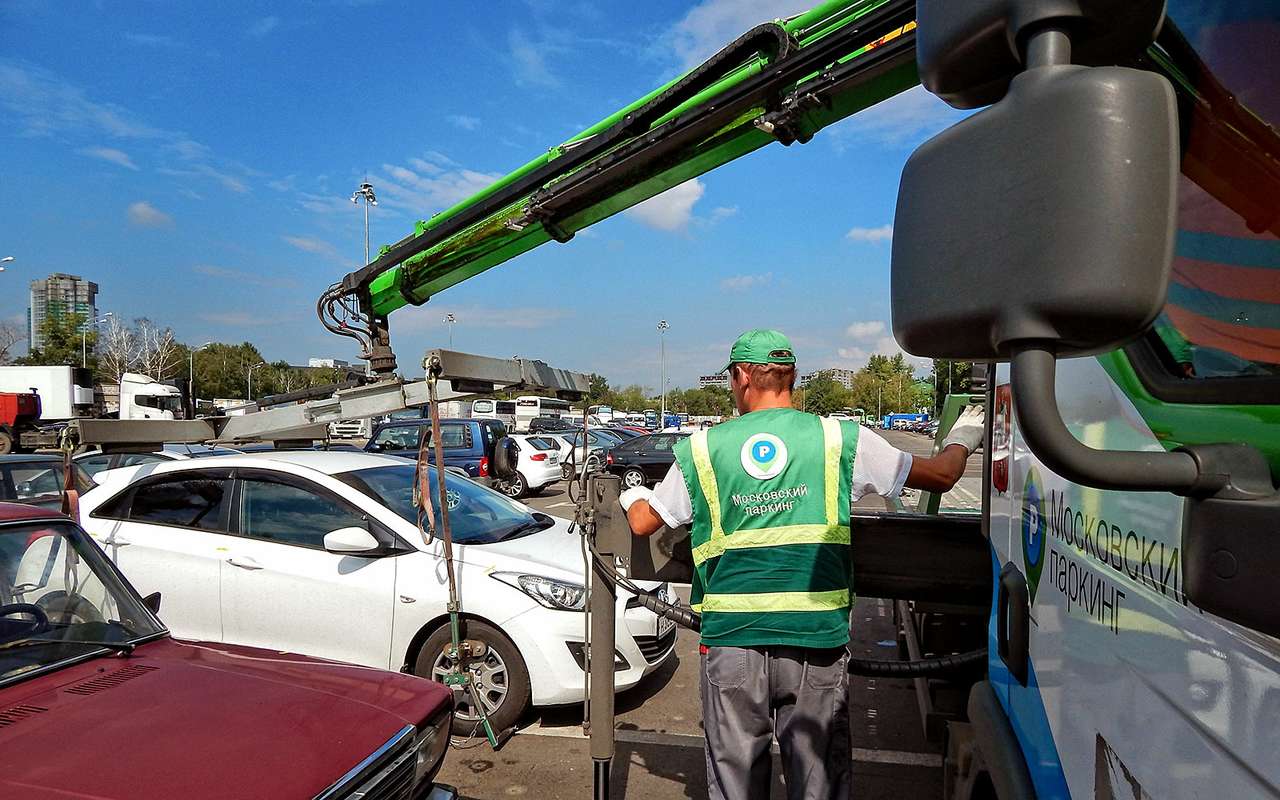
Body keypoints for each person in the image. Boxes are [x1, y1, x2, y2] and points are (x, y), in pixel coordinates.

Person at [620, 329, 984, 800]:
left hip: (733, 642)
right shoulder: (839, 438)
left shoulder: (703, 449)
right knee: (819, 784)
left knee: (736, 785)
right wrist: (962, 439)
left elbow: (645, 523)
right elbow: (942, 475)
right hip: (817, 641)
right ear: (790, 377)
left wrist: (632, 493)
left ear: (744, 377)